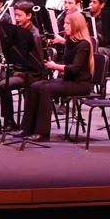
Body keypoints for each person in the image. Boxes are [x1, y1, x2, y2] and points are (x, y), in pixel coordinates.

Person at [20, 12, 95, 141]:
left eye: (67, 23)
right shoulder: (71, 42)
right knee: (34, 86)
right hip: (69, 80)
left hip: (81, 84)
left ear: (76, 26)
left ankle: (42, 133)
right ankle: (27, 128)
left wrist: (54, 66)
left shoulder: (84, 44)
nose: (64, 26)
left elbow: (75, 68)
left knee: (45, 89)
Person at [0, 1, 43, 131]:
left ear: (29, 16)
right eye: (16, 15)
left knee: (4, 85)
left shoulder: (35, 35)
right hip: (14, 70)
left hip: (29, 73)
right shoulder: (15, 31)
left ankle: (9, 121)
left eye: (20, 15)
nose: (17, 19)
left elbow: (38, 62)